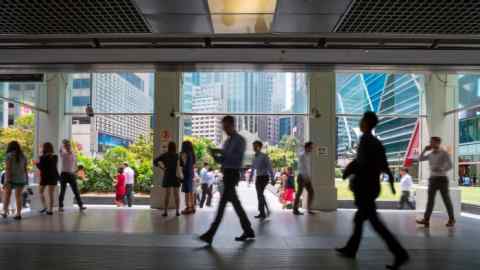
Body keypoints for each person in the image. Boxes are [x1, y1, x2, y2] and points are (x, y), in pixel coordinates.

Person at [336, 111, 409, 270]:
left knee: (375, 223)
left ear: (367, 123)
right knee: (359, 218)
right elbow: (383, 164)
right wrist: (389, 180)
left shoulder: (365, 140)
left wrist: (348, 171)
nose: (360, 123)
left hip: (365, 188)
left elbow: (360, 163)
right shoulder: (375, 142)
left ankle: (399, 253)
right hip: (371, 187)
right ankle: (351, 249)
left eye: (362, 121)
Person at [198, 116, 255, 245]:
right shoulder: (227, 142)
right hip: (227, 174)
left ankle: (211, 233)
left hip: (233, 174)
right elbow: (222, 161)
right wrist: (214, 155)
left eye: (226, 126)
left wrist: (220, 152)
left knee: (222, 204)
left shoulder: (240, 140)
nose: (224, 129)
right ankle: (248, 230)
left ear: (232, 125)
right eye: (223, 127)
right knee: (236, 205)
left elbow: (235, 159)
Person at [416, 136, 455, 227]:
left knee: (446, 200)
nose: (430, 144)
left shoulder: (444, 153)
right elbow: (420, 159)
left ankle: (452, 219)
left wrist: (441, 169)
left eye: (432, 142)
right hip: (432, 180)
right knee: (430, 201)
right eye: (430, 142)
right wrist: (424, 150)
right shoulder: (430, 154)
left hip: (442, 179)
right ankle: (426, 220)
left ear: (438, 143)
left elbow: (450, 165)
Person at [153, 141, 181, 217]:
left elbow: (155, 161)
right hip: (175, 176)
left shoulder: (164, 155)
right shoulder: (177, 155)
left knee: (167, 194)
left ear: (168, 147)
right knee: (176, 194)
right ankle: (177, 211)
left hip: (167, 175)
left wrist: (162, 168)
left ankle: (165, 211)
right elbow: (180, 166)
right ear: (175, 147)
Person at [1, 141, 28, 220]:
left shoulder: (9, 156)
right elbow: (25, 168)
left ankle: (5, 212)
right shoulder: (23, 156)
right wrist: (26, 179)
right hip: (21, 178)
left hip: (11, 178)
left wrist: (7, 180)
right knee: (18, 196)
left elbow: (8, 168)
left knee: (7, 196)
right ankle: (18, 214)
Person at [59, 140, 86, 212]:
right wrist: (63, 144)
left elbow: (76, 165)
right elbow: (60, 150)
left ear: (70, 146)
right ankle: (60, 206)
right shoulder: (63, 154)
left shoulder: (74, 154)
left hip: (71, 174)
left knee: (76, 191)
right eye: (66, 146)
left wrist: (76, 172)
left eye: (69, 145)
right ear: (65, 147)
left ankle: (80, 205)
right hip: (64, 174)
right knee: (62, 191)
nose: (68, 147)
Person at [250, 140, 274, 219]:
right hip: (258, 177)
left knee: (260, 194)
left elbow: (269, 167)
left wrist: (272, 178)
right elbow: (253, 168)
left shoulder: (264, 156)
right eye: (253, 146)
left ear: (259, 147)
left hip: (264, 177)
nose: (253, 147)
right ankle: (263, 211)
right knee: (260, 195)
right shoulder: (254, 157)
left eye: (255, 146)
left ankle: (263, 211)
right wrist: (250, 177)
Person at [36, 142, 60, 215]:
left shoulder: (42, 157)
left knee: (40, 192)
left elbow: (41, 168)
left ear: (44, 148)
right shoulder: (55, 157)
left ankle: (45, 207)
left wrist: (36, 163)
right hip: (53, 176)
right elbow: (53, 167)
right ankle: (50, 210)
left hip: (45, 177)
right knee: (51, 194)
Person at [293, 142, 315, 215]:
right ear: (307, 147)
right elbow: (302, 168)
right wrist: (306, 177)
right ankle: (295, 209)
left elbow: (307, 168)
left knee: (311, 192)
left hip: (306, 177)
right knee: (299, 193)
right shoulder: (302, 155)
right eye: (311, 147)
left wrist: (309, 176)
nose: (312, 149)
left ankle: (309, 209)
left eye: (312, 147)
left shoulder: (308, 156)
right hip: (302, 176)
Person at [180, 141, 196, 215]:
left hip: (186, 174)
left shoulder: (184, 154)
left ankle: (188, 208)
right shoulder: (192, 154)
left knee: (187, 191)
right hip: (191, 174)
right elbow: (193, 165)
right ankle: (192, 207)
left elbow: (184, 164)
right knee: (191, 191)